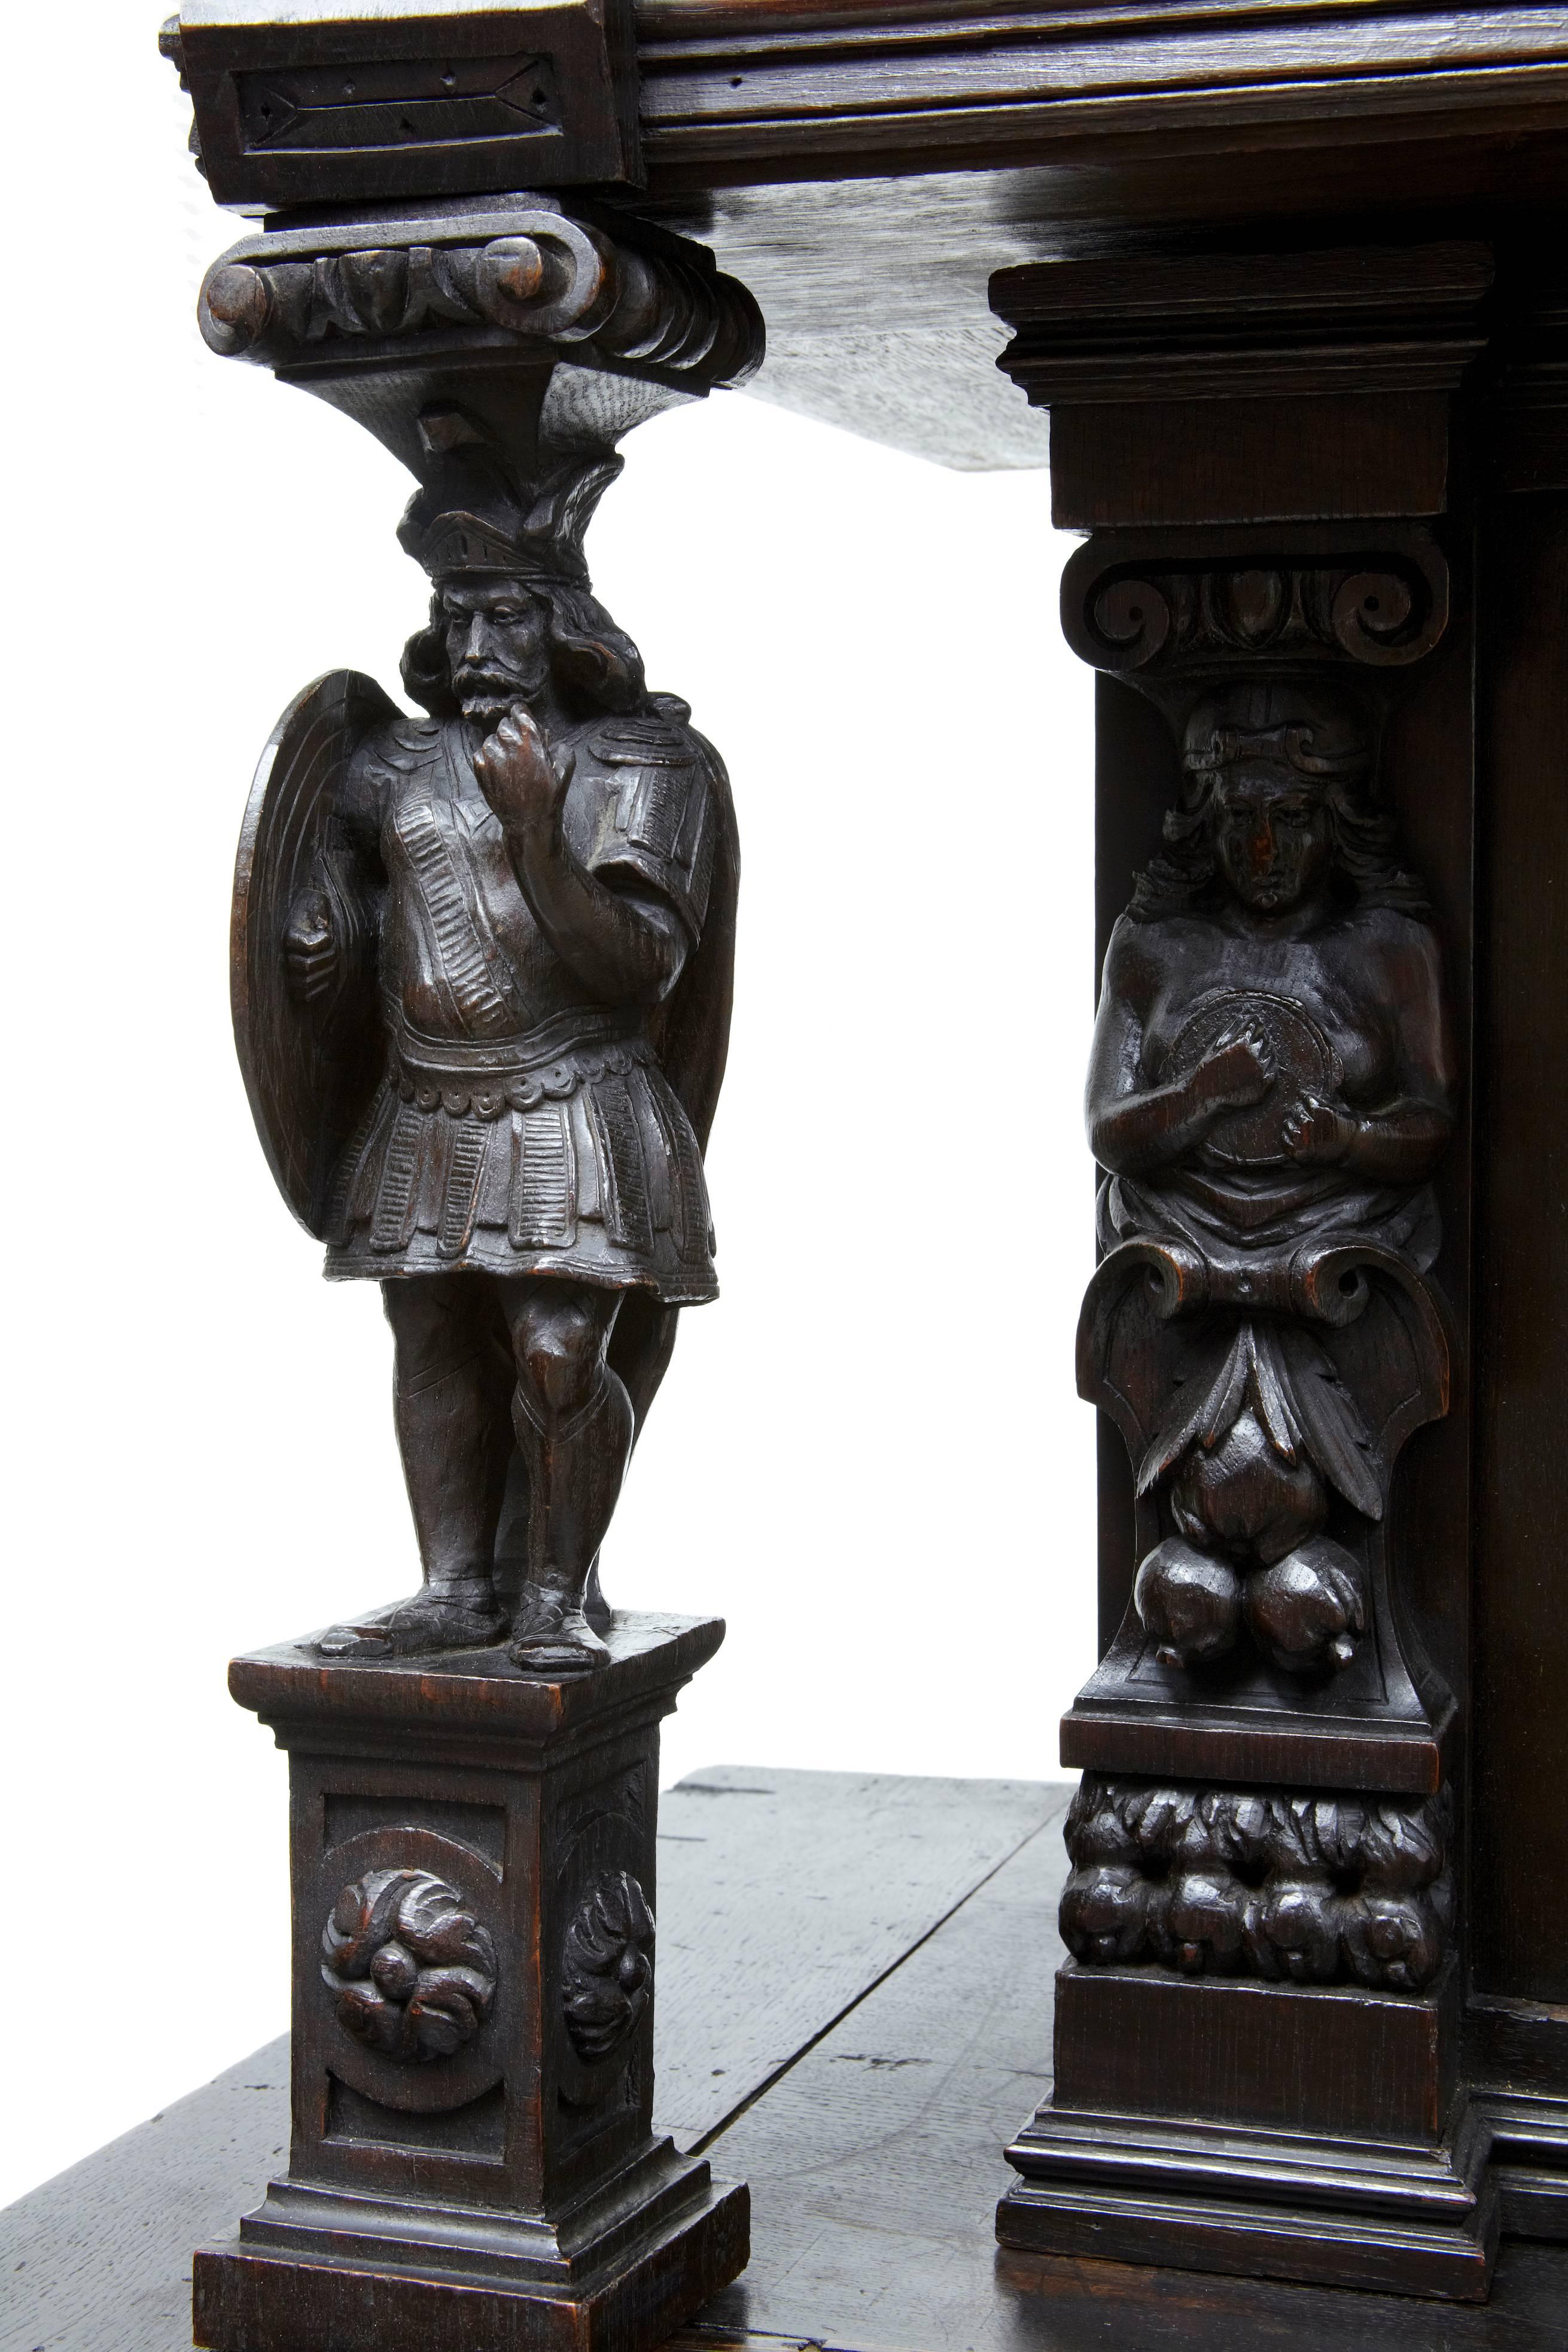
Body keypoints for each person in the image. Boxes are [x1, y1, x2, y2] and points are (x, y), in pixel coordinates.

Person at [281, 434, 732, 1674]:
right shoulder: (395, 763)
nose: (476, 650)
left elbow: (642, 965)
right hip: (427, 1092)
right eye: (455, 617)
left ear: (567, 624)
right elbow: (342, 876)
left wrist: (539, 833)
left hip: (572, 1093)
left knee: (555, 1349)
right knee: (428, 1331)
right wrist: (326, 927)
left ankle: (555, 1584)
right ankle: (456, 1582)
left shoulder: (646, 763)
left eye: (508, 619)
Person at [1084, 679, 1455, 1672]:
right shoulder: (1154, 948)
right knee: (1190, 1523)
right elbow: (1111, 1129)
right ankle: (1201, 1604)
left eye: (1290, 819)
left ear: (1335, 819)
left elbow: (1427, 1123)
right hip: (1181, 1265)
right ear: (1203, 826)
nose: (1263, 850)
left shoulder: (1384, 950)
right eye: (1240, 820)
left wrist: (1343, 1141)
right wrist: (1200, 1095)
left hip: (1337, 1272)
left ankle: (1308, 1610)